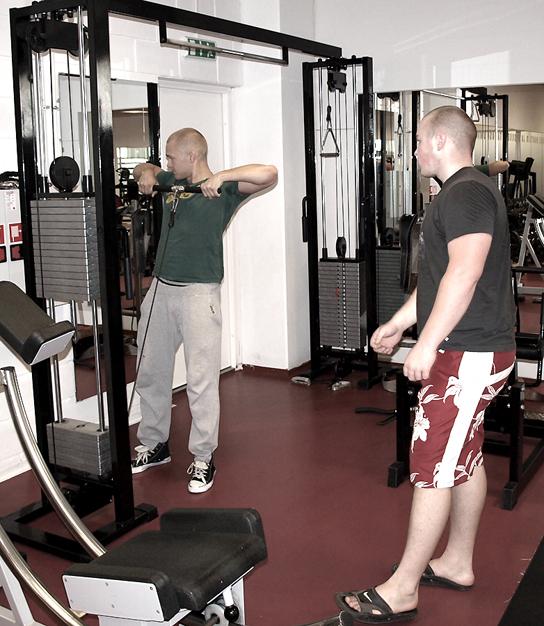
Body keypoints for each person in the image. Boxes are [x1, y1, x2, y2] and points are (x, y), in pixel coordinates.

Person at [334, 107, 516, 623]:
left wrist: (428, 345)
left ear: (438, 141)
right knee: (464, 456)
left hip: (468, 352)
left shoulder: (466, 193)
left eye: (418, 141)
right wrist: (399, 324)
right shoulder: (457, 193)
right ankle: (457, 562)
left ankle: (403, 590)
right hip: (470, 349)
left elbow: (465, 273)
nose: (413, 151)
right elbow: (438, 281)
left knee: (432, 466)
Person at [131, 128, 277, 493]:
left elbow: (269, 173)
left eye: (171, 156)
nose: (167, 163)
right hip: (161, 290)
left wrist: (223, 176)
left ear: (192, 156)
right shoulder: (172, 181)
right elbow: (143, 168)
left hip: (199, 294)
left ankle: (202, 457)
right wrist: (145, 173)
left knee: (200, 380)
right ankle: (155, 443)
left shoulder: (224, 191)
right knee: (150, 371)